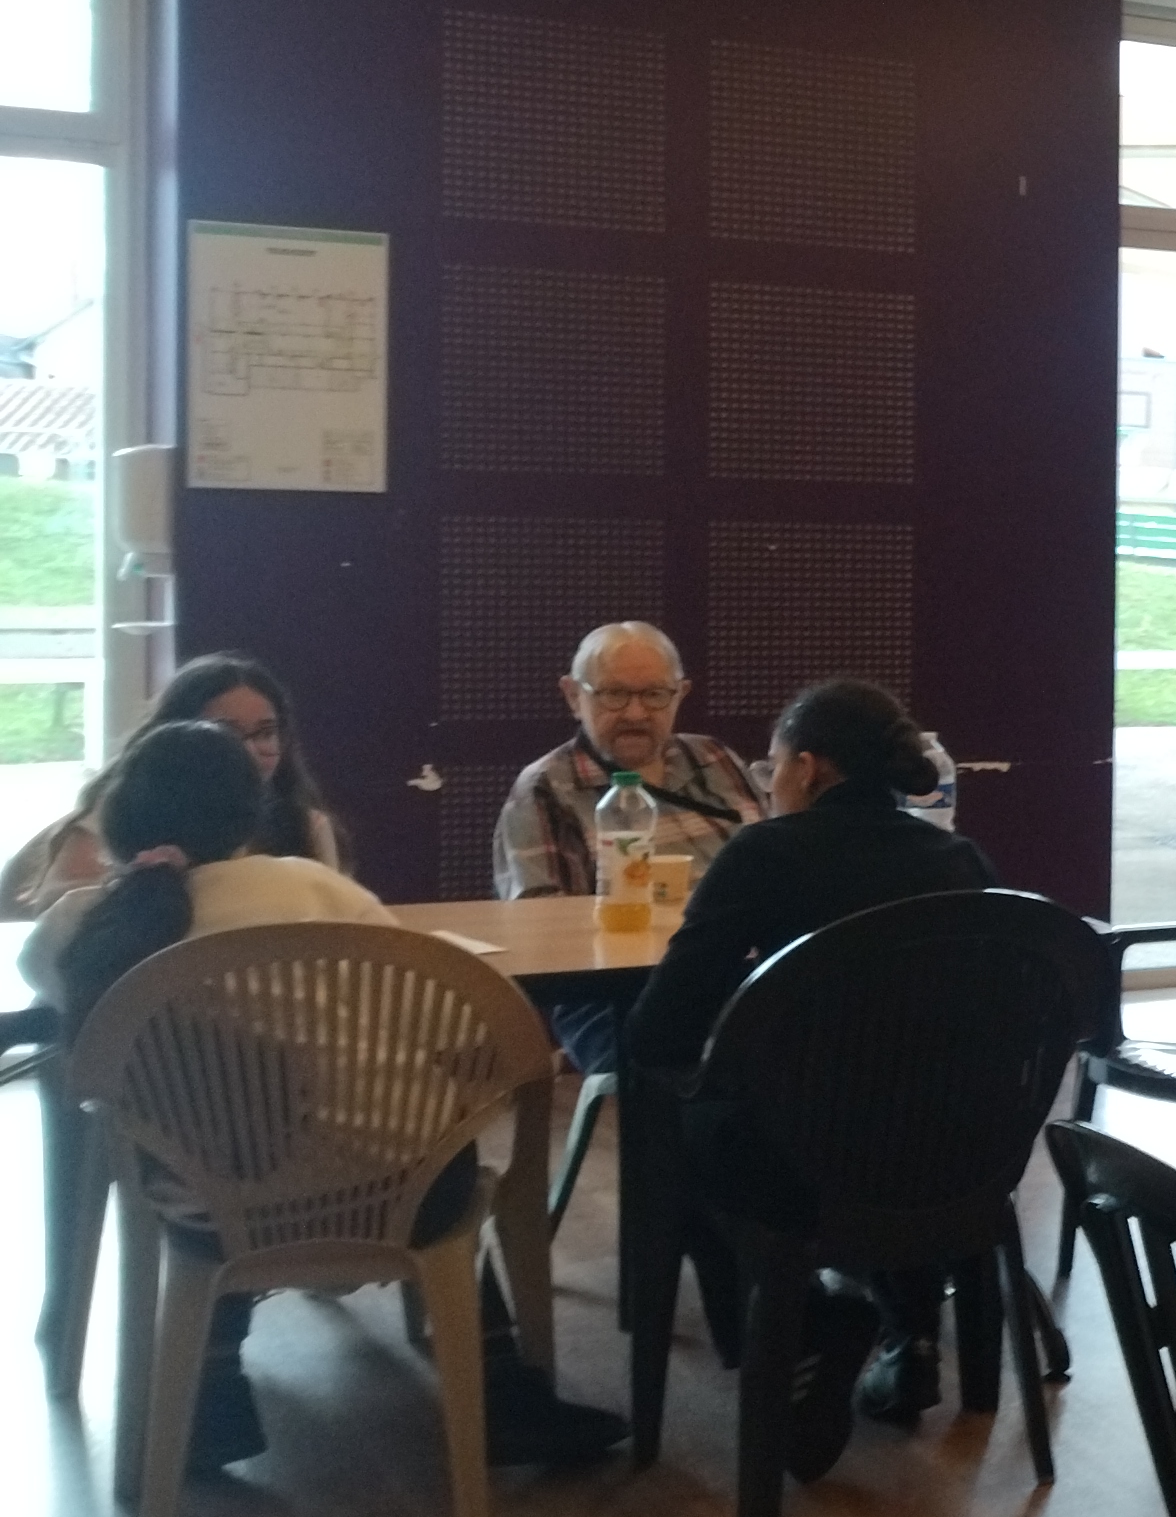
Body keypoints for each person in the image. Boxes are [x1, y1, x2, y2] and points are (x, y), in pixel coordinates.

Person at [25, 719, 625, 1472]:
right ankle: (503, 1391)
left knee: (227, 1136)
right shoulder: (313, 888)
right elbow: (448, 1024)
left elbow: (57, 993)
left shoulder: (79, 928)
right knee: (434, 1147)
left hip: (207, 1211)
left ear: (116, 819)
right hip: (394, 1200)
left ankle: (212, 1393)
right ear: (248, 813)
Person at [624, 680, 996, 1463]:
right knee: (889, 1096)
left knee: (675, 1133)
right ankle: (908, 1329)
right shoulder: (958, 858)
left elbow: (660, 1027)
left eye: (774, 766)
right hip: (953, 1153)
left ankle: (801, 1329)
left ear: (809, 767)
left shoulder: (765, 854)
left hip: (805, 1163)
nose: (770, 783)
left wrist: (747, 1001)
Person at [494, 620, 770, 1072]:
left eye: (655, 695)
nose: (636, 714)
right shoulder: (545, 788)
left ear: (680, 695)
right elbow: (543, 935)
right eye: (614, 695)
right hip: (615, 993)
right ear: (573, 696)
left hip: (743, 977)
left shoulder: (715, 760)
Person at [6, 650, 347, 913]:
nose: (247, 751)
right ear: (173, 738)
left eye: (265, 733)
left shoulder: (306, 826)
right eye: (224, 733)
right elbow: (51, 905)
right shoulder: (123, 811)